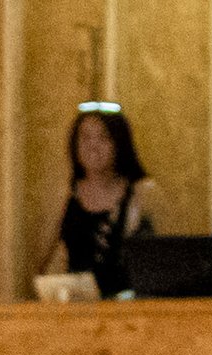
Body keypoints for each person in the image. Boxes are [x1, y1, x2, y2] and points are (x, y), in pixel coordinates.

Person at [40, 103, 160, 297]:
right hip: (78, 305)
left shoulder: (143, 193)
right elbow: (39, 263)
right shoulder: (65, 195)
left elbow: (169, 257)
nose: (93, 146)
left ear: (119, 143)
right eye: (85, 138)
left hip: (129, 307)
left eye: (103, 137)